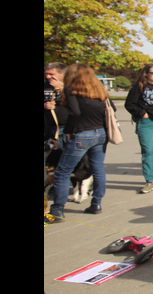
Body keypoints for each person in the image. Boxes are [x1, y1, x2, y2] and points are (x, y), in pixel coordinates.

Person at [46, 64, 113, 222]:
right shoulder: (99, 91)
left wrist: (69, 130)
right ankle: (96, 203)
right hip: (100, 133)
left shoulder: (71, 91)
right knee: (98, 169)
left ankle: (57, 210)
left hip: (82, 133)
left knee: (63, 171)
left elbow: (75, 112)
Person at [124, 64, 153, 193]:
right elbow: (129, 104)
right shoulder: (138, 87)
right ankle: (150, 180)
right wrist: (142, 113)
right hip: (146, 122)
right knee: (148, 150)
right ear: (146, 74)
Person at [44, 62, 69, 142]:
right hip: (49, 129)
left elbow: (79, 103)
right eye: (46, 74)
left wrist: (61, 88)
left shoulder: (71, 85)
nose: (48, 77)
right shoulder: (45, 85)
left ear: (62, 73)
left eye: (51, 74)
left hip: (68, 128)